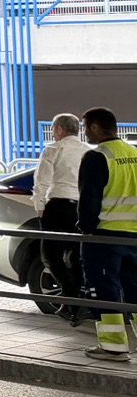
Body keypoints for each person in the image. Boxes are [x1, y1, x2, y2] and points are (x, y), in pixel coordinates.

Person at [72, 107, 137, 362]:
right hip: (135, 236)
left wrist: (85, 230)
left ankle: (113, 347)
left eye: (85, 127)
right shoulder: (134, 153)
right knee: (135, 290)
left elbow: (89, 201)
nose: (84, 132)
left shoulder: (97, 157)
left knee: (104, 290)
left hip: (106, 238)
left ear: (96, 127)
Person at [33, 113, 87, 303]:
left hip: (58, 206)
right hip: (81, 208)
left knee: (50, 255)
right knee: (79, 254)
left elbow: (42, 182)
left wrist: (40, 207)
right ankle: (81, 293)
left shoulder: (54, 149)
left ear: (59, 129)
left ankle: (70, 294)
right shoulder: (88, 151)